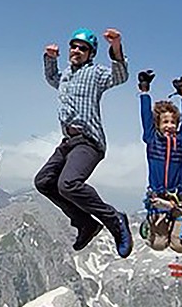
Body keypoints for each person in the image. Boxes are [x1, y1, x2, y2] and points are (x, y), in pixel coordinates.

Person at [35, 27, 133, 258]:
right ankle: (85, 224)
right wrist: (50, 58)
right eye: (74, 46)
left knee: (68, 184)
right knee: (43, 182)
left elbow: (120, 76)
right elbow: (52, 78)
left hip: (89, 141)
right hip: (68, 142)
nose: (77, 50)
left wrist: (116, 46)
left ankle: (114, 219)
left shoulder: (96, 73)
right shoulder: (67, 75)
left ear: (91, 53)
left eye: (83, 48)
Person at [137, 70, 182, 251]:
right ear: (158, 125)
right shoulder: (152, 139)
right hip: (158, 197)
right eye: (165, 122)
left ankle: (179, 223)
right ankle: (155, 225)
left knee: (180, 247)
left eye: (173, 122)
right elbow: (146, 117)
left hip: (177, 196)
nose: (170, 126)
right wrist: (144, 90)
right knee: (158, 245)